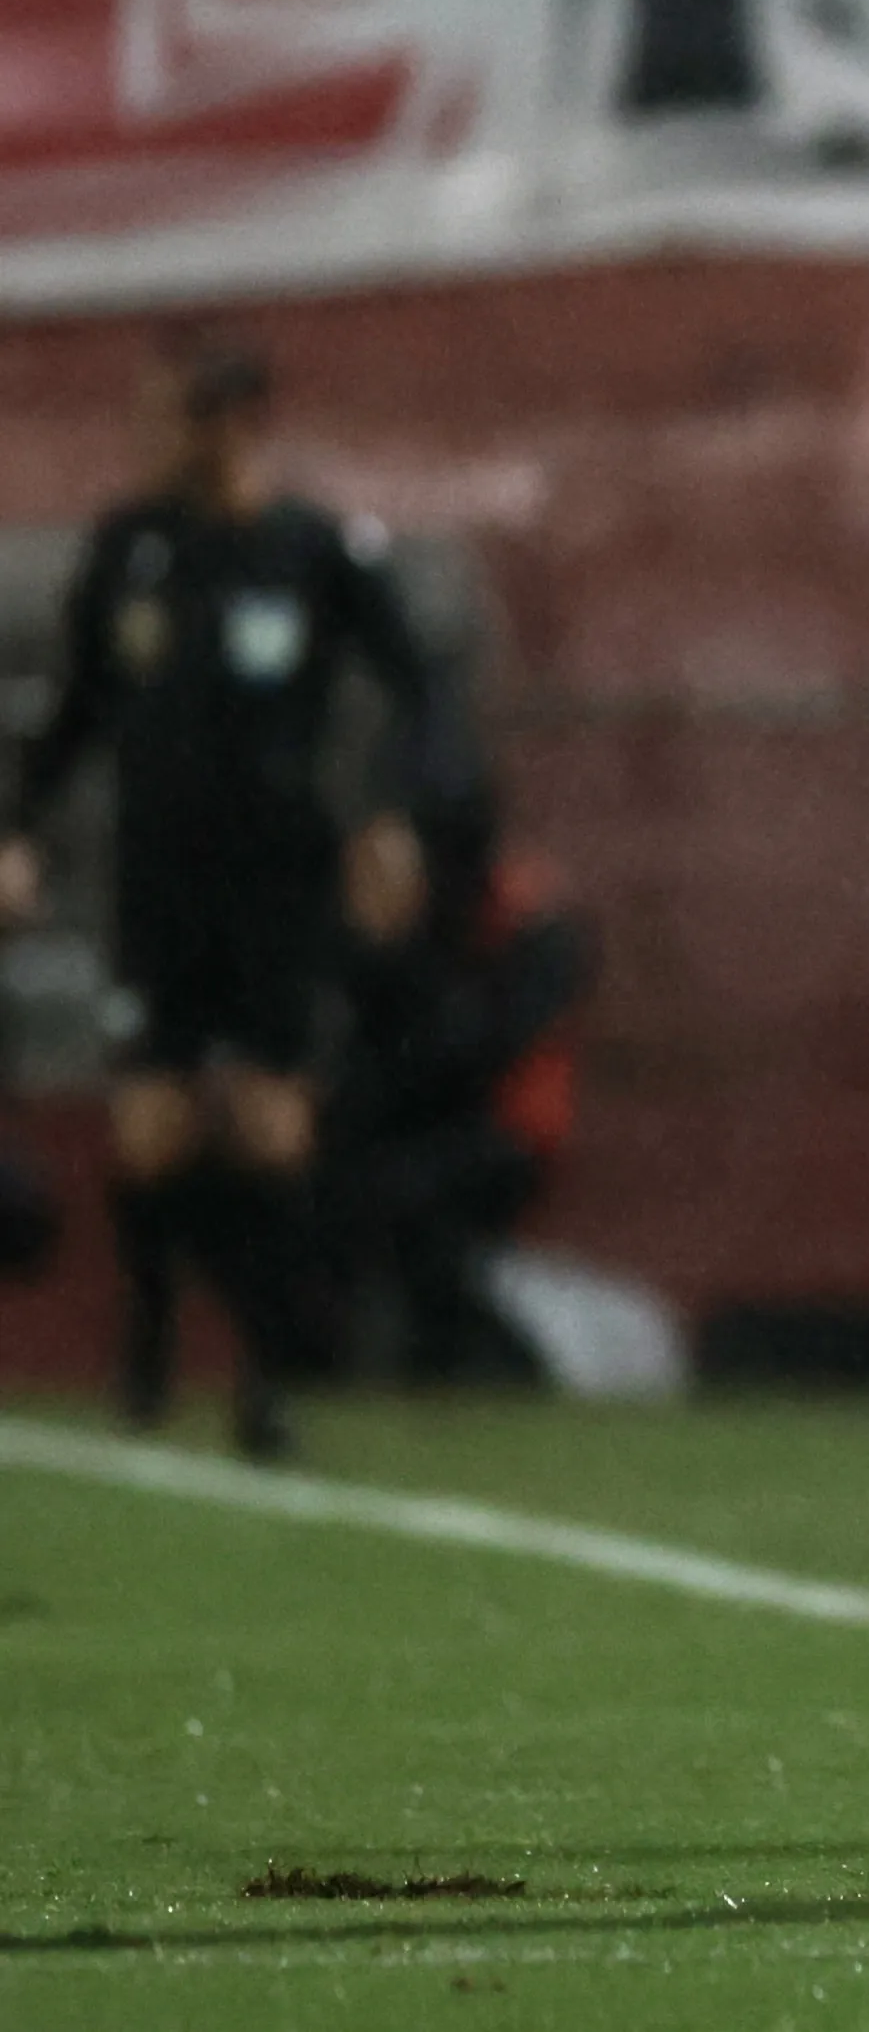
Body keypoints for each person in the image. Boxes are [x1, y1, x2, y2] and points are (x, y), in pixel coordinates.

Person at [0, 339, 438, 1461]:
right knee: (151, 1133)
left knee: (271, 1129)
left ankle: (265, 1378)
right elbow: (79, 710)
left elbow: (414, 686)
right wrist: (21, 833)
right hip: (158, 884)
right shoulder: (130, 548)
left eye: (173, 420)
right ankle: (150, 1340)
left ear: (236, 422)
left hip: (276, 885)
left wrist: (387, 813)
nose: (150, 441)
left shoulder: (314, 550)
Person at [324, 766, 590, 1384]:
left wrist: (397, 956)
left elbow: (476, 1044)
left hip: (507, 1130)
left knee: (407, 1204)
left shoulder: (527, 917)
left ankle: (495, 1358)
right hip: (434, 1120)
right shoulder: (419, 916)